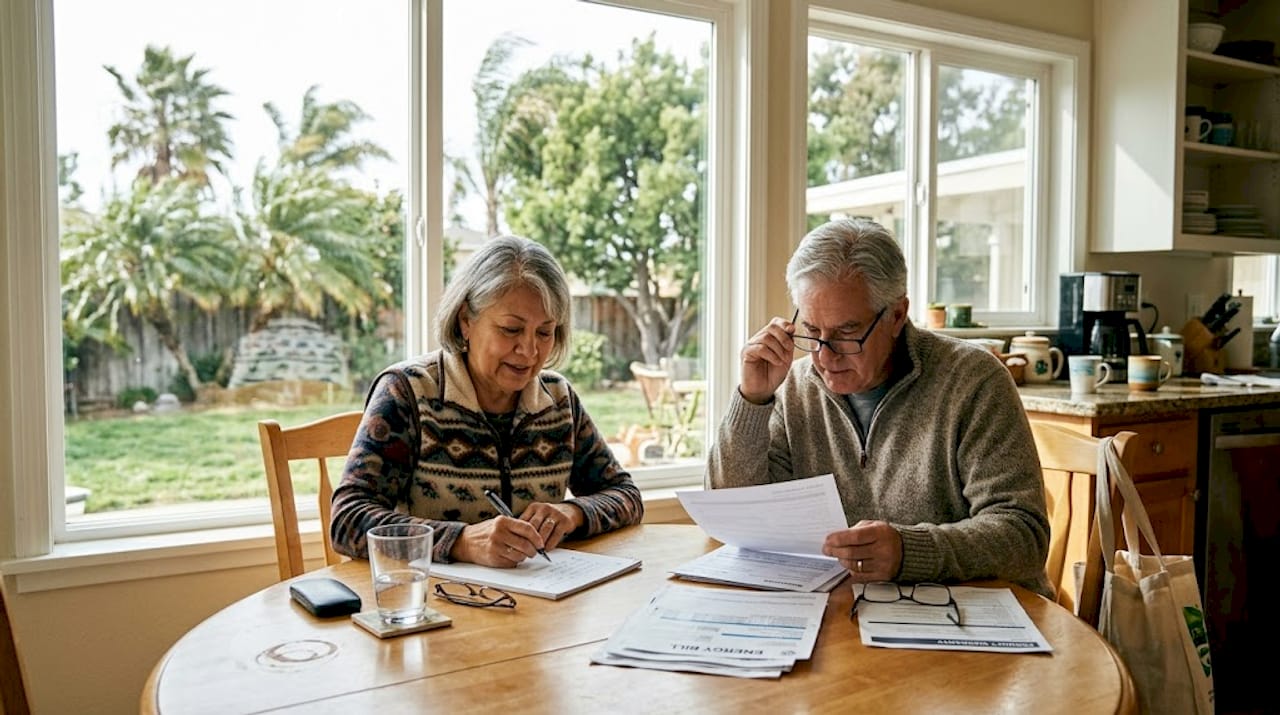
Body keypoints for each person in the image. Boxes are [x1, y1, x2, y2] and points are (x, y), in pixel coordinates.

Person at [706, 218, 1052, 597]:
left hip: (970, 619)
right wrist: (752, 399)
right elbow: (733, 512)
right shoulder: (792, 386)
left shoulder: (973, 380)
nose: (824, 355)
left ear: (897, 315)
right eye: (811, 330)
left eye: (846, 332)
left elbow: (1023, 537)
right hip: (845, 615)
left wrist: (908, 551)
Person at [331, 235, 643, 567]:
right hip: (434, 604)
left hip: (539, 606)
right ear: (466, 319)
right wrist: (461, 541)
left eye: (545, 332)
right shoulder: (408, 392)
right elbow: (348, 520)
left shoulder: (558, 399)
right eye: (511, 329)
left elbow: (626, 496)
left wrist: (571, 513)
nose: (529, 351)